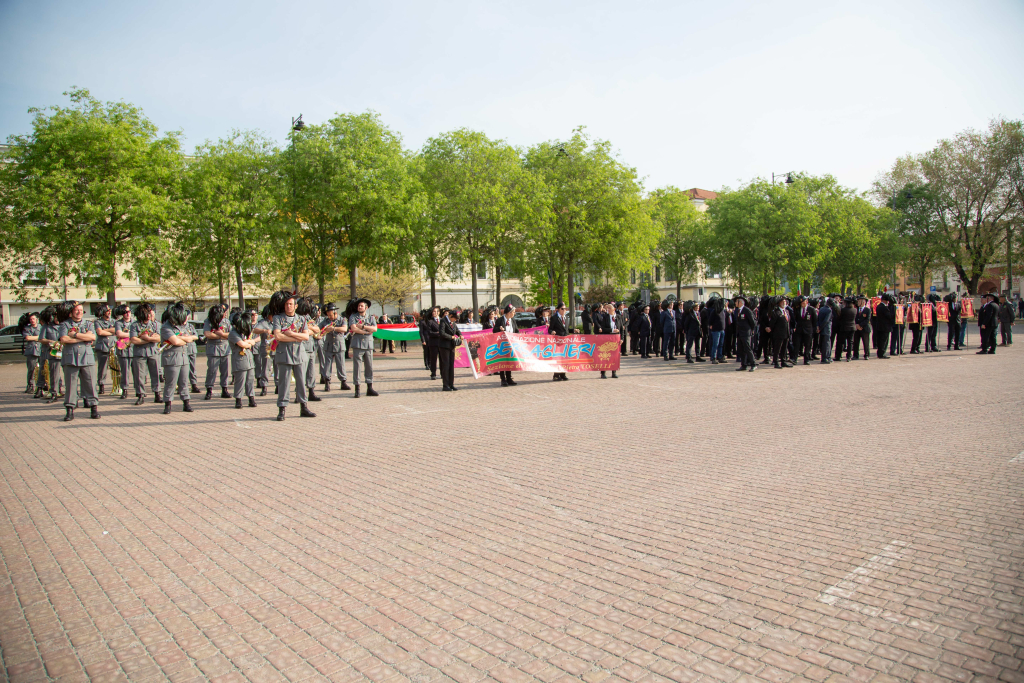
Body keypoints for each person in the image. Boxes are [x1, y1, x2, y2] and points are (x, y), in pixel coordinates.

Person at [272, 290, 316, 420]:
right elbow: (278, 336)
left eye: (291, 304)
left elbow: (306, 337)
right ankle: (282, 409)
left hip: (299, 354)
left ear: (296, 306)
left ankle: (304, 407)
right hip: (284, 354)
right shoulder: (278, 318)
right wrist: (298, 337)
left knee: (301, 382)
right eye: (286, 304)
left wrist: (292, 334)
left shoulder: (301, 318)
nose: (288, 306)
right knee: (284, 383)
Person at [56, 300, 100, 421]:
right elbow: (64, 339)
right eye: (77, 310)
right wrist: (84, 338)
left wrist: (75, 335)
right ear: (71, 312)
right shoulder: (64, 325)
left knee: (90, 384)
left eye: (81, 310)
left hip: (87, 358)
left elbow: (93, 337)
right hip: (71, 358)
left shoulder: (88, 324)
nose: (79, 312)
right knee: (71, 386)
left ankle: (94, 408)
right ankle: (70, 410)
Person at [160, 301, 196, 414]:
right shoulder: (165, 327)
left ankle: (186, 403)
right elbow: (176, 341)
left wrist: (182, 338)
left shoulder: (181, 327)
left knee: (184, 382)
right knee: (170, 383)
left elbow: (191, 338)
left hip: (183, 356)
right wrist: (183, 339)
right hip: (172, 358)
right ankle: (168, 404)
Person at [130, 303, 161, 405]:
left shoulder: (155, 324)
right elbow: (134, 340)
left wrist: (146, 338)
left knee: (155, 374)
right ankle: (140, 395)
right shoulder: (134, 325)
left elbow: (159, 338)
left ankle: (157, 394)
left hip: (153, 352)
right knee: (139, 375)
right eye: (147, 313)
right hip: (140, 353)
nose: (149, 314)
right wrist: (151, 339)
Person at [348, 298, 379, 397]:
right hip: (358, 344)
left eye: (361, 306)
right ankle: (357, 389)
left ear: (366, 307)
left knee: (369, 366)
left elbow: (375, 329)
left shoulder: (371, 317)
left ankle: (370, 388)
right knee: (357, 367)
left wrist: (363, 327)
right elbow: (353, 328)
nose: (359, 307)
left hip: (368, 345)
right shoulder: (353, 316)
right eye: (358, 306)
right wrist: (366, 332)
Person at [229, 310, 258, 409]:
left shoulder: (244, 333)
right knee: (240, 381)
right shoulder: (233, 333)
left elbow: (253, 342)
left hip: (249, 359)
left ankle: (251, 398)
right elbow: (243, 344)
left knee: (250, 380)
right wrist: (249, 342)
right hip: (240, 360)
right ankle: (238, 399)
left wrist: (249, 342)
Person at [296, 298, 322, 403]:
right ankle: (299, 394)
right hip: (302, 347)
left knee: (311, 372)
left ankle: (311, 392)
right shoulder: (297, 317)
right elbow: (300, 331)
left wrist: (308, 329)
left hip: (311, 347)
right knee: (301, 373)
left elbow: (317, 329)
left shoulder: (308, 317)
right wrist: (308, 330)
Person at [320, 303, 351, 391]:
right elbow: (318, 328)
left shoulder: (342, 319)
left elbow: (344, 329)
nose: (329, 317)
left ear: (335, 313)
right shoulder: (325, 321)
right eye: (328, 315)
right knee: (327, 365)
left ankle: (343, 382)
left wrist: (333, 329)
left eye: (331, 315)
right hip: (328, 345)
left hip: (339, 345)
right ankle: (327, 382)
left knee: (341, 364)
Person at [203, 304, 231, 400]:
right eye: (223, 312)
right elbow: (207, 334)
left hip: (225, 349)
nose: (225, 314)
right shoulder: (208, 321)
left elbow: (231, 334)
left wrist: (221, 334)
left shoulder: (226, 321)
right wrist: (221, 336)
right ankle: (209, 389)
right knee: (212, 371)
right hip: (213, 349)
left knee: (225, 371)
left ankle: (224, 389)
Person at [492, 303, 518, 386]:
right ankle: (503, 379)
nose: (514, 314)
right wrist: (499, 329)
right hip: (502, 345)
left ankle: (509, 378)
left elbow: (516, 331)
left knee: (509, 362)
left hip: (510, 344)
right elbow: (494, 331)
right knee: (502, 362)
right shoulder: (500, 320)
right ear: (509, 312)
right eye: (513, 312)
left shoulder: (512, 320)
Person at [91, 304, 116, 394]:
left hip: (113, 346)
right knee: (102, 368)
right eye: (107, 310)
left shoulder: (114, 321)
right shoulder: (98, 322)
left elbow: (117, 331)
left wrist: (105, 330)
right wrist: (111, 331)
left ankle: (116, 385)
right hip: (102, 347)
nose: (109, 312)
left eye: (110, 310)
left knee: (115, 367)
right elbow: (100, 332)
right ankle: (101, 385)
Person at [438, 308, 461, 391]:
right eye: (454, 318)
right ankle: (445, 385)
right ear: (450, 316)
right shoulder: (443, 321)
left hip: (451, 346)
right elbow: (442, 333)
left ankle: (451, 384)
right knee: (446, 365)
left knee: (451, 365)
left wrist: (460, 335)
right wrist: (451, 337)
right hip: (444, 346)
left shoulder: (453, 322)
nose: (455, 320)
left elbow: (457, 330)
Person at [765, 296, 792, 369]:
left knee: (784, 348)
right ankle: (776, 362)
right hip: (778, 333)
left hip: (786, 333)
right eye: (782, 301)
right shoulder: (776, 312)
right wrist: (770, 328)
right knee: (777, 349)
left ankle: (783, 361)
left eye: (785, 301)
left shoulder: (786, 311)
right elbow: (772, 322)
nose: (784, 303)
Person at [113, 304, 132, 400]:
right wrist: (133, 334)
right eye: (125, 312)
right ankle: (124, 389)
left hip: (134, 350)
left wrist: (127, 334)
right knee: (124, 372)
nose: (128, 314)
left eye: (129, 312)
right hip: (123, 350)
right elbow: (119, 334)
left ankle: (139, 391)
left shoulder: (135, 322)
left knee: (138, 372)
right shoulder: (118, 323)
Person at [732, 295, 757, 372]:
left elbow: (753, 322)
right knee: (741, 350)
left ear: (740, 303)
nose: (735, 303)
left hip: (746, 333)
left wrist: (751, 330)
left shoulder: (747, 310)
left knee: (748, 349)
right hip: (740, 333)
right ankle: (743, 365)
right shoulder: (738, 310)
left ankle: (753, 364)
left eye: (736, 302)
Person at [791, 295, 817, 365]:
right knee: (797, 345)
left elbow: (814, 321)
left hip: (808, 330)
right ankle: (794, 359)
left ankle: (806, 359)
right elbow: (795, 319)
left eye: (804, 302)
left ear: (807, 302)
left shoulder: (811, 309)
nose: (802, 303)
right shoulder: (797, 309)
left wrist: (813, 330)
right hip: (799, 330)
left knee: (807, 345)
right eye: (801, 302)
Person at [20, 313, 41, 394]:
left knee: (43, 369)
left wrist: (35, 338)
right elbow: (28, 338)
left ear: (37, 319)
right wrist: (39, 337)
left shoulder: (41, 327)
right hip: (31, 351)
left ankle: (42, 385)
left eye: (33, 319)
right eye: (31, 319)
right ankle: (30, 386)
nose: (32, 320)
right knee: (31, 369)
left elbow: (45, 337)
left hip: (41, 350)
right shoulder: (27, 328)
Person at [548, 302, 570, 381]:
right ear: (558, 309)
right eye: (562, 309)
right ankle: (556, 375)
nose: (564, 310)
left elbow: (566, 329)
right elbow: (550, 329)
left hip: (565, 340)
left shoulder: (566, 318)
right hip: (558, 341)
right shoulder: (554, 318)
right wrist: (552, 332)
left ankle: (563, 374)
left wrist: (573, 330)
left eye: (565, 309)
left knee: (564, 358)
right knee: (558, 358)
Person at [834, 297, 857, 361]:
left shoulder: (843, 310)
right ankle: (849, 356)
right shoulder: (854, 310)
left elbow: (839, 318)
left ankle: (838, 356)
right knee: (850, 342)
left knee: (840, 342)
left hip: (844, 328)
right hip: (852, 327)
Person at [707, 296, 727, 364]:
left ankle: (720, 356)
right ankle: (713, 357)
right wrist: (711, 325)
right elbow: (710, 320)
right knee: (715, 344)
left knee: (721, 344)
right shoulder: (714, 311)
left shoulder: (722, 311)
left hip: (722, 330)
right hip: (716, 330)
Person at [874, 293, 895, 358]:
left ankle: (880, 353)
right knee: (884, 341)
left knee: (880, 341)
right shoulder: (884, 307)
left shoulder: (879, 306)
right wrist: (894, 313)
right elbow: (889, 316)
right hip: (885, 327)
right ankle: (882, 353)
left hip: (880, 326)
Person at [425, 306, 441, 380]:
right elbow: (429, 332)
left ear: (438, 312)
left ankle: (443, 373)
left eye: (435, 311)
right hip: (433, 343)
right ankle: (433, 373)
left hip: (442, 343)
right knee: (433, 359)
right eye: (433, 311)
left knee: (442, 359)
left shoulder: (442, 320)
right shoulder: (430, 321)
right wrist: (438, 333)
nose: (433, 313)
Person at [816, 296, 833, 364]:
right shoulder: (829, 310)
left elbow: (818, 319)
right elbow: (826, 320)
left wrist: (818, 327)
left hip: (821, 329)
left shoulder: (821, 308)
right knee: (826, 344)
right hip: (826, 329)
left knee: (823, 343)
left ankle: (826, 357)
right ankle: (825, 358)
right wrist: (821, 328)